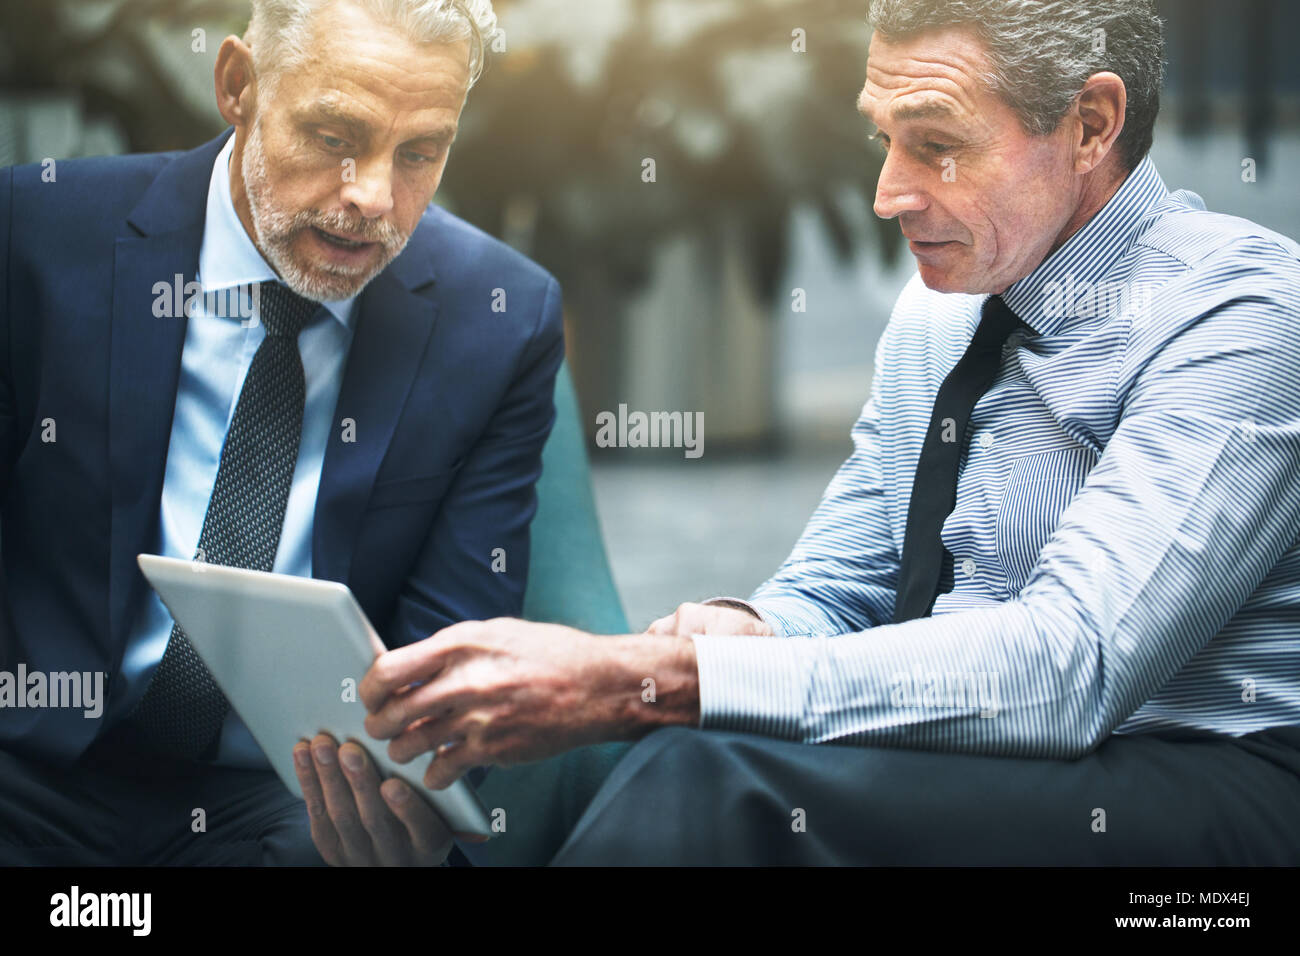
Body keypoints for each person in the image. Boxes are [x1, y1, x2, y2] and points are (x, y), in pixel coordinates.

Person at [302, 0, 1300, 865]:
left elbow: (1068, 667)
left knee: (714, 779)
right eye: (884, 141)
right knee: (695, 753)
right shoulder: (941, 314)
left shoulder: (1242, 317)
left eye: (936, 142)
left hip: (1202, 774)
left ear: (1090, 123)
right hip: (987, 754)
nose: (887, 193)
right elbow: (842, 585)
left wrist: (660, 681)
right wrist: (750, 630)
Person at [0, 0, 614, 865]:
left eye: (418, 153)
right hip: (30, 770)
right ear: (239, 86)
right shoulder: (35, 234)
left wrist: (411, 795)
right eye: (334, 136)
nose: (370, 197)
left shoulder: (498, 319)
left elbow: (447, 651)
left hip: (293, 803)